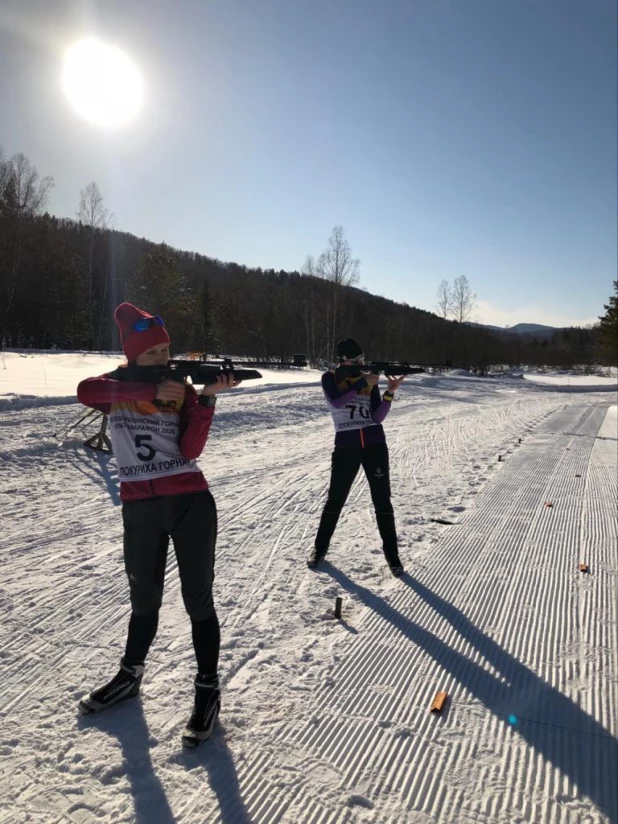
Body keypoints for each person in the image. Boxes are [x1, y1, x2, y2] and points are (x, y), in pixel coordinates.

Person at [76, 302, 239, 745]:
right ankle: (130, 676)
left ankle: (207, 689)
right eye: (153, 352)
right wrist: (150, 394)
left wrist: (204, 400)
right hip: (140, 507)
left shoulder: (182, 390)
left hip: (189, 502)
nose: (163, 358)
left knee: (197, 601)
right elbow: (86, 391)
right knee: (144, 600)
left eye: (166, 349)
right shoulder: (116, 385)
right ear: (132, 355)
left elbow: (191, 449)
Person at [308, 338, 405, 576]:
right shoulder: (330, 379)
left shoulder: (368, 380)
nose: (362, 363)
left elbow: (378, 417)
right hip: (346, 447)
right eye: (357, 360)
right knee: (335, 501)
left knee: (383, 502)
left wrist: (389, 394)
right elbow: (336, 401)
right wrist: (360, 382)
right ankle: (319, 549)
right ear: (344, 360)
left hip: (375, 446)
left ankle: (392, 555)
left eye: (362, 359)